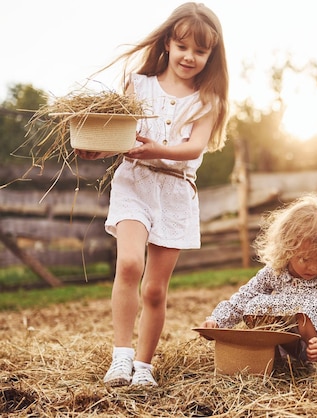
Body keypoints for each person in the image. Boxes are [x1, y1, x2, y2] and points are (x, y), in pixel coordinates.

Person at [75, 2, 229, 387]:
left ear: (211, 55)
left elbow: (194, 149)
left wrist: (156, 149)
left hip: (176, 193)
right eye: (183, 47)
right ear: (168, 43)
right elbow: (126, 140)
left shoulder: (209, 100)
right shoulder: (138, 84)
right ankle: (121, 357)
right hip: (135, 182)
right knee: (129, 264)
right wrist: (97, 148)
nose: (189, 57)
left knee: (156, 290)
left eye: (200, 50)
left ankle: (143, 366)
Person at [201, 194, 317, 365]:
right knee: (255, 305)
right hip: (286, 350)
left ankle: (316, 364)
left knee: (306, 308)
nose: (313, 267)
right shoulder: (275, 272)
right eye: (305, 259)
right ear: (287, 248)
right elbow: (243, 299)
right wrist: (217, 320)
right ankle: (274, 360)